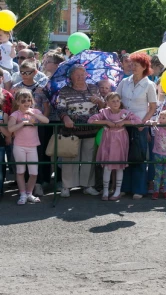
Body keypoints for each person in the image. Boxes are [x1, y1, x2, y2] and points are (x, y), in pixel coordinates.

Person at [55, 65, 105, 197]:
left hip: (91, 130)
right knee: (70, 158)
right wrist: (65, 118)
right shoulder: (65, 90)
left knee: (89, 159)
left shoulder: (93, 88)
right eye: (77, 75)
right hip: (71, 130)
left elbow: (104, 107)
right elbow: (60, 108)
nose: (80, 77)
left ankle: (88, 185)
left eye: (83, 74)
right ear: (71, 77)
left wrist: (99, 101)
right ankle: (67, 186)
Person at [116, 52, 157, 199]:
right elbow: (117, 100)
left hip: (140, 125)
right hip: (123, 123)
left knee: (139, 156)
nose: (133, 67)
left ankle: (139, 189)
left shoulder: (150, 84)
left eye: (136, 65)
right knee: (124, 156)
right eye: (132, 64)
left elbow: (153, 107)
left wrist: (143, 122)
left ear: (144, 66)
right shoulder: (124, 82)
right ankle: (124, 187)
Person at [88, 92, 142, 201]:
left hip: (120, 141)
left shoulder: (125, 113)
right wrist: (106, 122)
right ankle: (106, 191)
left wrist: (124, 122)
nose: (116, 103)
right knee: (107, 166)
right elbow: (91, 120)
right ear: (107, 102)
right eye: (113, 101)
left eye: (117, 101)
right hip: (108, 141)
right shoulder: (105, 113)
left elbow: (138, 121)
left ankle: (117, 191)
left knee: (119, 166)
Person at [7, 89, 49, 204]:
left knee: (34, 172)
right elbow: (10, 129)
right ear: (17, 102)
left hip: (32, 146)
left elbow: (46, 121)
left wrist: (33, 114)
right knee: (20, 171)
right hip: (19, 146)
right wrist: (22, 123)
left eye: (29, 100)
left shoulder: (35, 111)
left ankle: (29, 193)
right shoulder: (15, 114)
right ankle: (22, 194)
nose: (27, 102)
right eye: (23, 100)